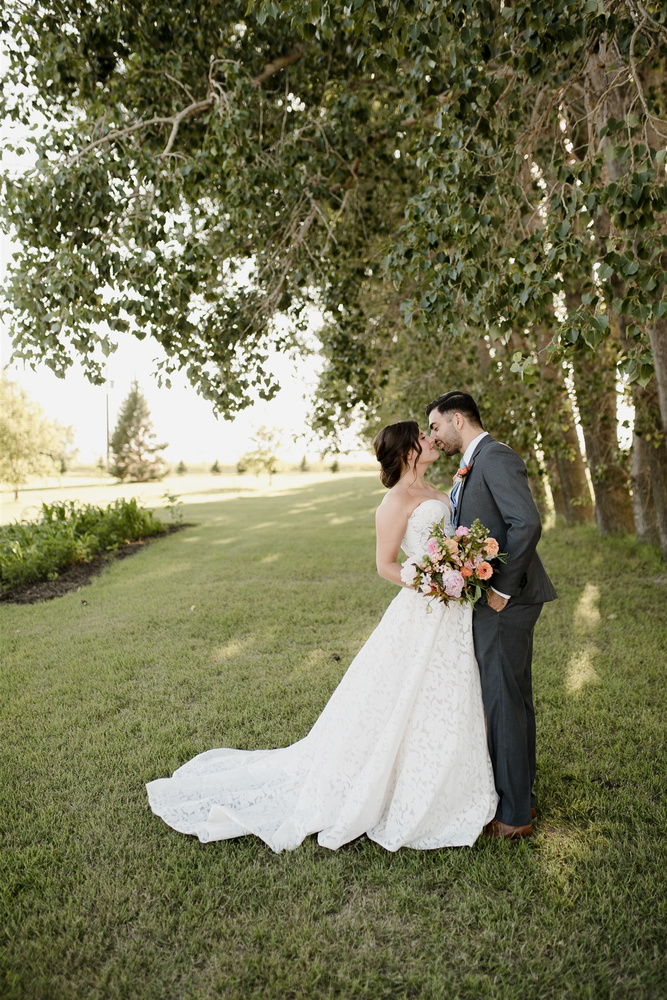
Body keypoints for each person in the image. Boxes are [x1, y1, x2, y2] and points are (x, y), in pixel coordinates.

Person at [146, 420, 498, 852]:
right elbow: (385, 564)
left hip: (454, 608)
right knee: (405, 694)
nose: (431, 441)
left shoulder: (440, 493)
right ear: (408, 450)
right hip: (426, 603)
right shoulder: (394, 501)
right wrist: (432, 582)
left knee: (450, 691)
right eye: (423, 438)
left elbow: (448, 541)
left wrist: (459, 567)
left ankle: (451, 778)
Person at [426, 391, 557, 840]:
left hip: (508, 600)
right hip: (494, 598)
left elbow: (527, 522)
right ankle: (521, 796)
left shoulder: (495, 457)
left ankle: (516, 814)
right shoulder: (472, 463)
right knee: (510, 699)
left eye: (436, 426)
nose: (433, 436)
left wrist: (500, 588)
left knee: (504, 701)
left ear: (457, 420)